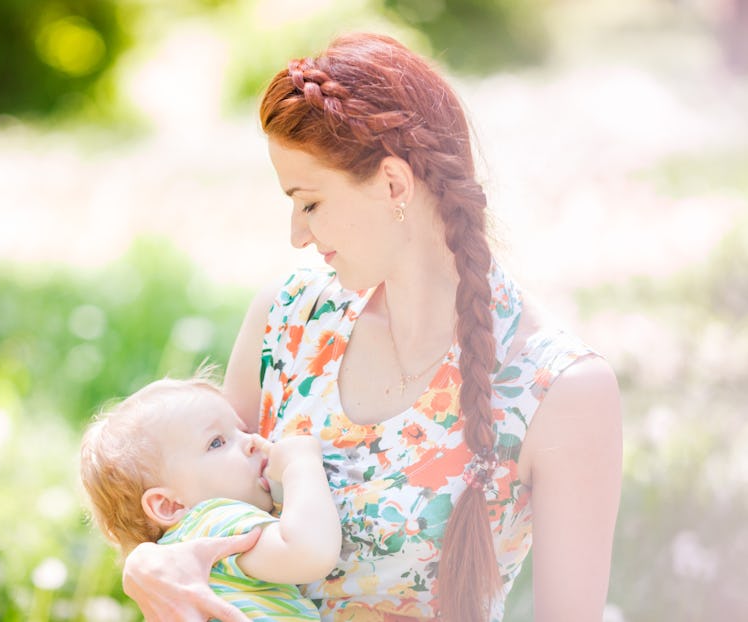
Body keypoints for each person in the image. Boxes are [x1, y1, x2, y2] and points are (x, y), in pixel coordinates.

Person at [122, 32, 623, 622]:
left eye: (309, 203)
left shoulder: (560, 389)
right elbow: (189, 515)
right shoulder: (287, 321)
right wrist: (141, 565)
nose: (297, 235)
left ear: (393, 184)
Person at [79, 370, 341, 621]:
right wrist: (300, 464)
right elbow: (308, 553)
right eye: (217, 442)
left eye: (242, 430)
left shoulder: (184, 547)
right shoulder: (214, 521)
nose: (252, 440)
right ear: (169, 505)